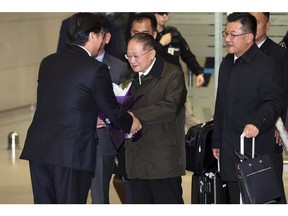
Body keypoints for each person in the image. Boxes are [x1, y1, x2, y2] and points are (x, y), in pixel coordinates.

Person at [19, 12, 141, 204]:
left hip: (39, 150)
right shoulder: (95, 68)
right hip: (71, 153)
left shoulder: (48, 62)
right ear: (92, 36)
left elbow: (58, 102)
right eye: (101, 35)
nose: (103, 41)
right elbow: (112, 109)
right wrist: (131, 124)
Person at [211, 12, 283, 204]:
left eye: (233, 34)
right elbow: (221, 104)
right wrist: (216, 140)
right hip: (229, 145)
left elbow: (274, 102)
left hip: (254, 147)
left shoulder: (266, 65)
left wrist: (257, 123)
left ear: (249, 37)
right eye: (225, 33)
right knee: (235, 198)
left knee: (258, 201)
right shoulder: (227, 63)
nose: (227, 39)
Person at [121, 33, 187, 204]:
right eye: (128, 56)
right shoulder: (128, 77)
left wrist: (133, 116)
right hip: (136, 159)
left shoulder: (172, 75)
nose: (132, 60)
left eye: (136, 56)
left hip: (162, 162)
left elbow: (170, 107)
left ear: (151, 53)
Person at [90, 14, 129, 204]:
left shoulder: (120, 67)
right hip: (75, 140)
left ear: (106, 38)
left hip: (104, 140)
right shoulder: (77, 64)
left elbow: (124, 103)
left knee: (99, 196)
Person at [249, 12, 288, 204]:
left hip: (270, 128)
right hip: (243, 129)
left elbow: (285, 92)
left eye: (256, 22)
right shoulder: (237, 53)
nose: (252, 26)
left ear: (268, 26)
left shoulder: (279, 54)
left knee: (270, 184)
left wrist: (281, 125)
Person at [153, 12, 205, 88]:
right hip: (156, 82)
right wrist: (161, 44)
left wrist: (199, 73)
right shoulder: (148, 35)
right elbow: (145, 57)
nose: (164, 16)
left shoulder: (173, 34)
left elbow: (187, 55)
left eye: (166, 13)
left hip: (175, 80)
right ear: (153, 14)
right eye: (161, 13)